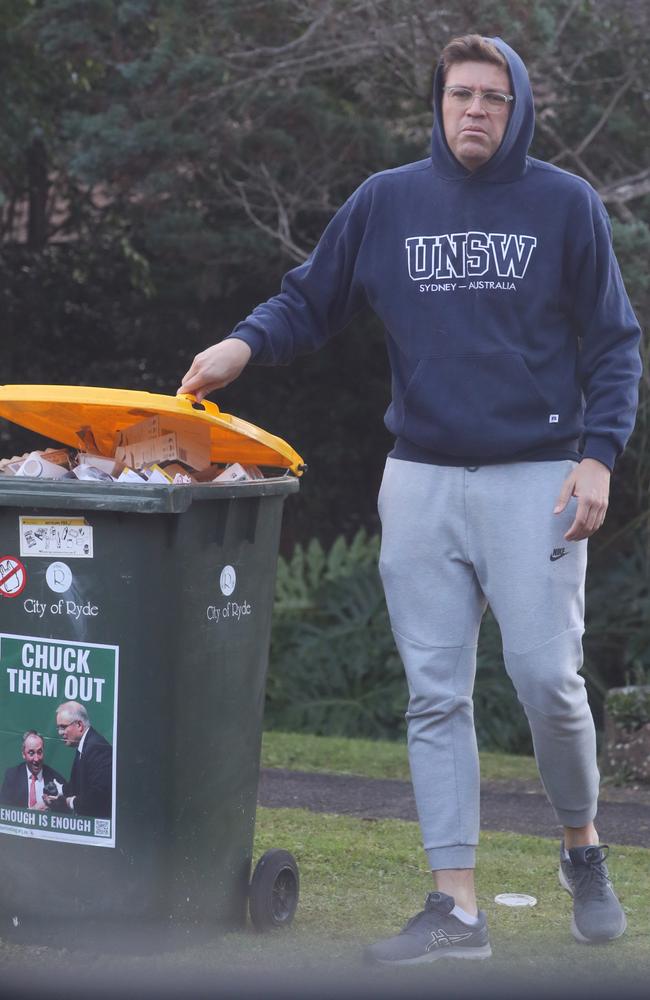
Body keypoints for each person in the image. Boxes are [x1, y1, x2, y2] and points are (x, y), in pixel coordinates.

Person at [178, 35, 642, 960]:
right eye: (460, 94)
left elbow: (615, 345)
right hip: (421, 477)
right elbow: (308, 300)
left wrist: (599, 459)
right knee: (435, 696)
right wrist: (241, 346)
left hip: (535, 481)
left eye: (493, 99)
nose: (474, 110)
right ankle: (456, 909)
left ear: (519, 112)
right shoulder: (387, 202)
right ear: (438, 104)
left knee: (548, 685)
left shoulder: (565, 205)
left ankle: (582, 845)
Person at [43, 701, 113, 820]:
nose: (60, 733)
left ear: (79, 725)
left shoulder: (97, 748)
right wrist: (60, 790)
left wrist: (69, 802)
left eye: (63, 727)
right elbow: (79, 786)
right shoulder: (86, 745)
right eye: (58, 727)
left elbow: (98, 796)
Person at [0, 730, 65, 809]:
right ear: (24, 754)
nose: (36, 759)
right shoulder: (12, 776)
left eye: (39, 752)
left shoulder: (56, 779)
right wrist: (32, 811)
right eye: (31, 753)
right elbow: (5, 812)